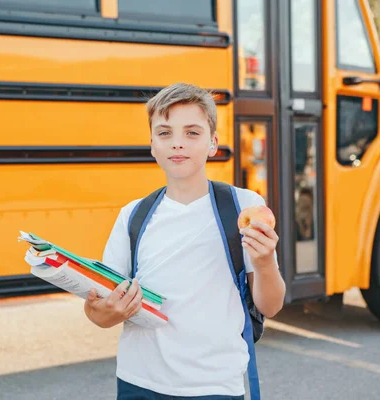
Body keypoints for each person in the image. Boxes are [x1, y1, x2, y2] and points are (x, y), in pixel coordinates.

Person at [84, 83, 286, 399]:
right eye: (165, 134)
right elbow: (98, 312)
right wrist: (110, 310)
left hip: (214, 385)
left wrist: (263, 262)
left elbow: (270, 306)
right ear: (152, 144)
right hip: (139, 383)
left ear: (213, 143)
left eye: (192, 133)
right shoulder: (133, 215)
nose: (178, 144)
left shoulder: (243, 205)